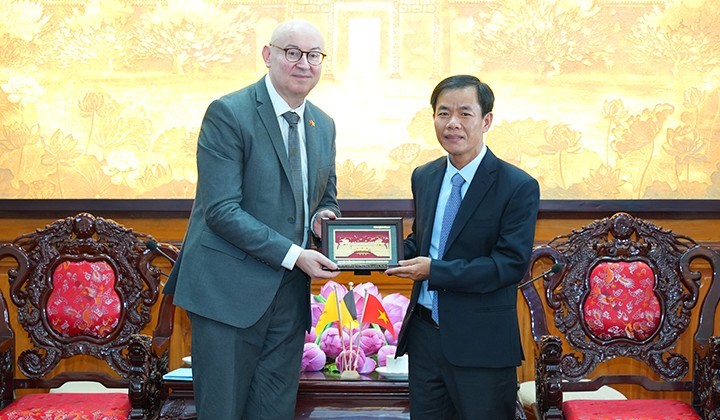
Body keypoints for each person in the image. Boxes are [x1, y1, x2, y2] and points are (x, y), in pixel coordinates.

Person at [164, 19, 341, 419]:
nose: (303, 64)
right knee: (224, 411)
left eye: (314, 55)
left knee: (274, 412)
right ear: (268, 55)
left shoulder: (323, 124)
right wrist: (296, 254)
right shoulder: (229, 113)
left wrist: (325, 219)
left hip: (288, 297)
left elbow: (325, 198)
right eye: (291, 52)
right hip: (226, 293)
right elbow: (222, 211)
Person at [385, 74, 540, 419]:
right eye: (443, 113)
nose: (452, 123)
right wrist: (377, 251)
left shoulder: (517, 186)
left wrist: (434, 271)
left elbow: (508, 265)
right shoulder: (424, 176)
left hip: (481, 344)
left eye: (465, 114)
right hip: (425, 339)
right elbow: (422, 242)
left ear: (486, 121)